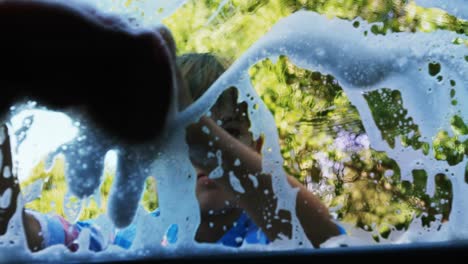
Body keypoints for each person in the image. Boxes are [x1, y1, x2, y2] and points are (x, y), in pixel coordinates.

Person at [0, 51, 344, 253]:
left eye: (230, 133)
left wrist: (203, 135)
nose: (201, 156)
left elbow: (327, 241)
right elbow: (27, 233)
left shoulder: (266, 237)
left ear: (255, 150)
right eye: (178, 139)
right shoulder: (134, 238)